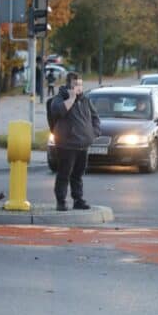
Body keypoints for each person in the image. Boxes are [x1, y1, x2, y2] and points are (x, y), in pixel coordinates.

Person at [48, 72, 101, 211]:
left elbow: (95, 117)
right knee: (64, 174)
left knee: (78, 174)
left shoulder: (85, 100)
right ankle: (61, 201)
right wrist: (71, 98)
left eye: (80, 84)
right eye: (76, 84)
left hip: (83, 143)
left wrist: (93, 133)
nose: (79, 87)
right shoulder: (59, 98)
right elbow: (58, 112)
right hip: (66, 144)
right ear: (69, 85)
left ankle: (78, 200)